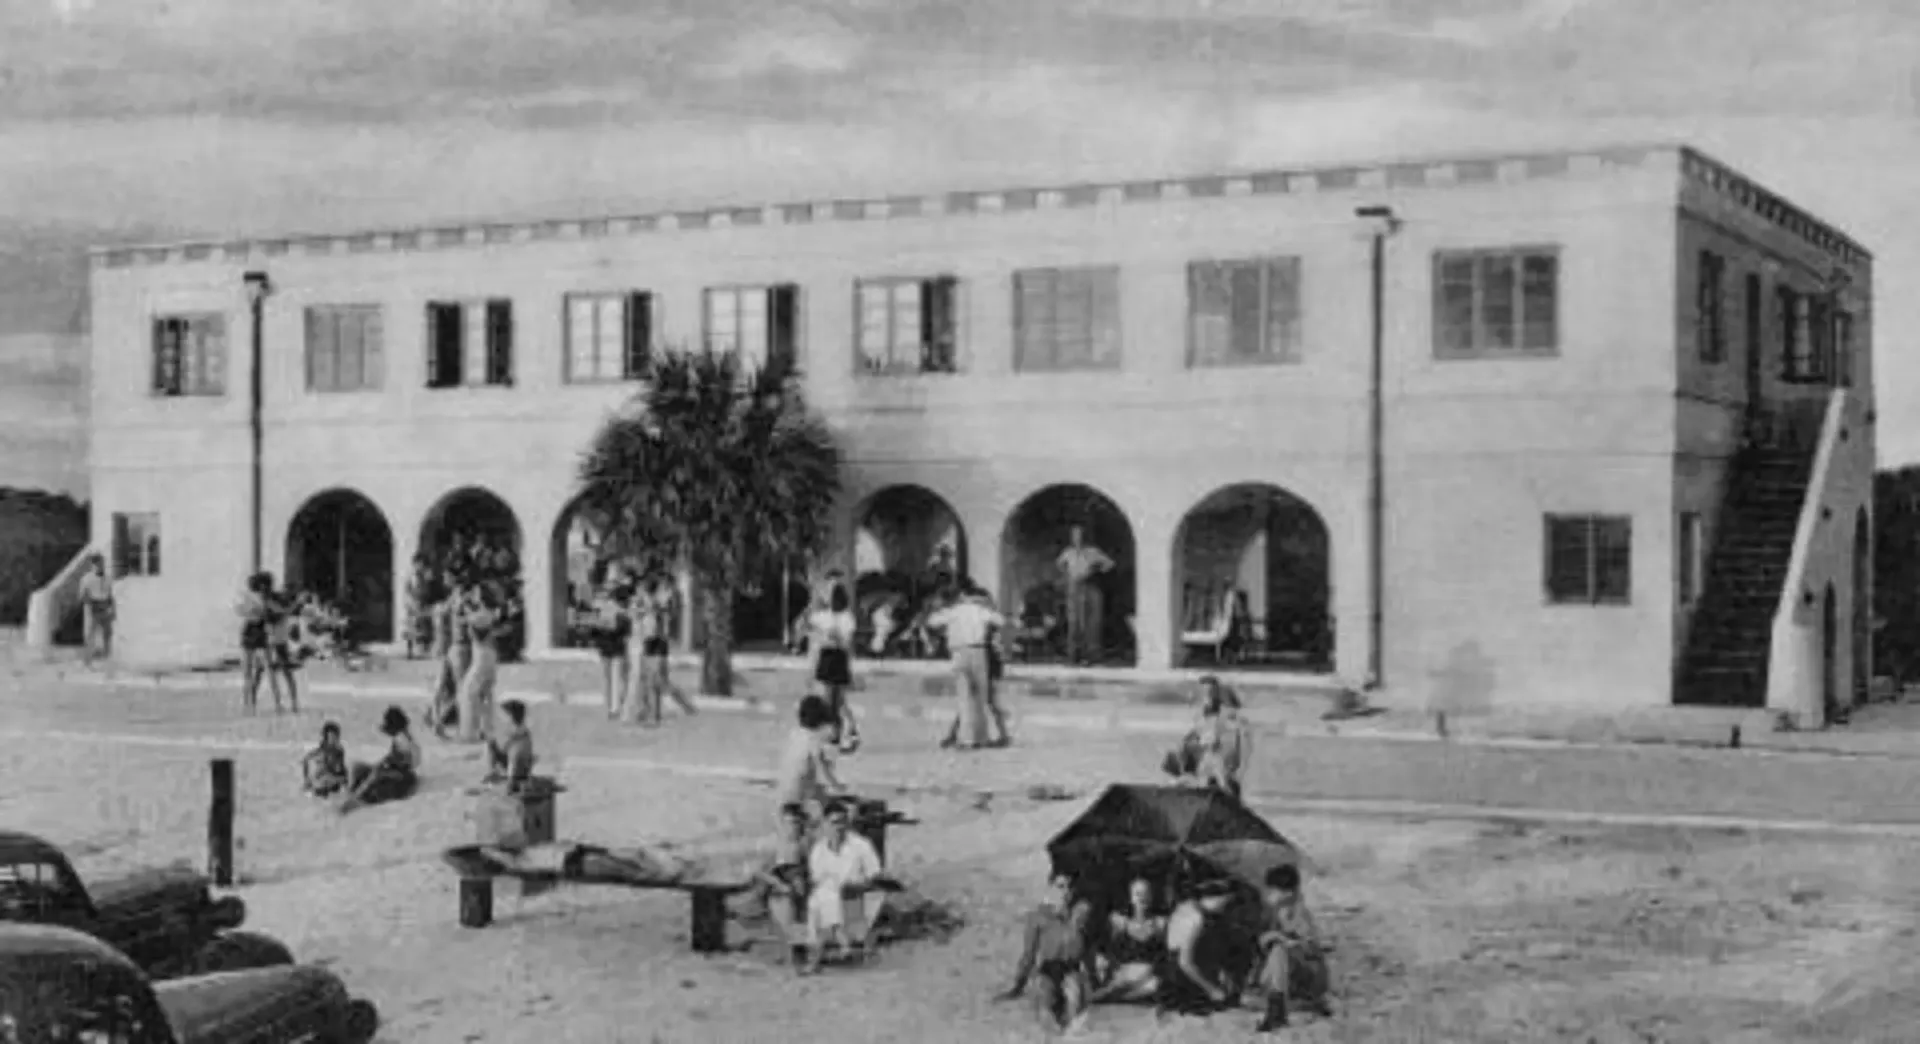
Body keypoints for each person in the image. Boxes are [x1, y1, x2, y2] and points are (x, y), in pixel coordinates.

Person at [996, 870, 1094, 1035]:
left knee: (1074, 1000)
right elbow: (1029, 956)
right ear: (1051, 888)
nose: (1065, 892)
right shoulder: (1038, 918)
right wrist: (1017, 986)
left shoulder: (1080, 916)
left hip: (1071, 970)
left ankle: (1068, 1034)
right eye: (1060, 887)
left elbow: (1088, 951)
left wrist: (1093, 979)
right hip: (1047, 970)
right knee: (1043, 1002)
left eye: (1069, 888)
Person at [800, 799, 887, 972]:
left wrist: (857, 885)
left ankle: (815, 958)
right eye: (834, 823)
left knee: (820, 899)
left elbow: (875, 877)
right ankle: (841, 939)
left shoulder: (861, 845)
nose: (839, 827)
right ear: (825, 824)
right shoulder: (819, 849)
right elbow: (817, 879)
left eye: (842, 822)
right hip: (832, 901)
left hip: (855, 898)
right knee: (824, 895)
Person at [928, 579, 1009, 750]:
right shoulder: (980, 610)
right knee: (980, 696)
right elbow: (1000, 621)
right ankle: (982, 737)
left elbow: (933, 622)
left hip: (958, 652)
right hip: (978, 651)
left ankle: (967, 739)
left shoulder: (953, 612)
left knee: (964, 696)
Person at [1252, 864, 1333, 1032]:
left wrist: (1284, 940)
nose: (1269, 895)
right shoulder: (1273, 912)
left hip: (1306, 974)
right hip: (1284, 974)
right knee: (1275, 952)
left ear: (1287, 893)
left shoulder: (1300, 914)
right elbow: (1261, 939)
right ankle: (1278, 1004)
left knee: (1278, 951)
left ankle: (1277, 1011)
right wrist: (1273, 937)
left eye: (1273, 891)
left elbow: (1311, 949)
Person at [1159, 878, 1241, 1018]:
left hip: (1183, 969)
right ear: (1214, 898)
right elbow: (1185, 963)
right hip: (1181, 976)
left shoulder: (1189, 906)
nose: (1225, 908)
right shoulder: (1196, 918)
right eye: (1224, 903)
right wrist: (1212, 990)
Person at [1163, 677, 1251, 801]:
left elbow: (1232, 749)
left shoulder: (1228, 719)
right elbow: (1193, 739)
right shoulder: (1201, 718)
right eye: (1204, 692)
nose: (1207, 697)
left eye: (1210, 692)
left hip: (1218, 770)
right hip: (1206, 770)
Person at [628, 570, 695, 726]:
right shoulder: (648, 601)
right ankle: (652, 711)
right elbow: (635, 614)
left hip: (658, 641)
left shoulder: (662, 601)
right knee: (655, 680)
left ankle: (655, 714)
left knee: (656, 680)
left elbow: (662, 614)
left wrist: (648, 605)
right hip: (649, 640)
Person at [753, 802, 813, 965]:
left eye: (797, 823)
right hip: (775, 887)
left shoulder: (805, 843)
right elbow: (758, 871)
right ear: (781, 822)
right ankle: (794, 950)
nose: (793, 828)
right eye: (790, 823)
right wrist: (779, 884)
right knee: (788, 919)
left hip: (799, 887)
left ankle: (799, 950)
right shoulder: (771, 844)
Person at [1091, 876, 1166, 1004]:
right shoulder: (1118, 922)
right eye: (1138, 894)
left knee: (1154, 984)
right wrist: (1102, 962)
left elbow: (1165, 956)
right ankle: (1112, 994)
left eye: (1145, 894)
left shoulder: (1160, 924)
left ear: (1151, 897)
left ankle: (1116, 996)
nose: (1142, 898)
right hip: (1123, 973)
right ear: (1131, 898)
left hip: (1148, 976)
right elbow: (1102, 948)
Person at [807, 582, 861, 752]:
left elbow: (847, 643)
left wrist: (833, 637)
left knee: (837, 700)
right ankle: (837, 733)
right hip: (827, 657)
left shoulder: (847, 618)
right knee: (831, 700)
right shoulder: (821, 616)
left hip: (838, 658)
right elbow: (814, 636)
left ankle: (843, 732)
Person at [774, 695, 847, 817]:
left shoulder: (795, 735)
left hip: (784, 794)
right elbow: (824, 773)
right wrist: (839, 787)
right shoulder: (814, 741)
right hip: (799, 799)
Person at [340, 706, 423, 813]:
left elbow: (408, 761)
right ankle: (356, 795)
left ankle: (356, 799)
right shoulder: (403, 737)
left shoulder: (403, 740)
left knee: (373, 778)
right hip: (400, 773)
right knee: (365, 771)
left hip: (402, 777)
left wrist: (390, 765)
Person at [1057, 525, 1114, 666]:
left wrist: (1095, 570)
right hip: (1073, 587)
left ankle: (1091, 655)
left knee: (1091, 622)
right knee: (1074, 621)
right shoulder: (1068, 553)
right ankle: (1073, 655)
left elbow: (1110, 564)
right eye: (1074, 535)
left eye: (1079, 535)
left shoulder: (1092, 552)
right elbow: (1060, 565)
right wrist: (1068, 576)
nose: (1077, 538)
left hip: (1089, 586)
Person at [457, 583, 503, 744]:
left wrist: (463, 604)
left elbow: (463, 620)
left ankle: (470, 732)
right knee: (485, 694)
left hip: (482, 655)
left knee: (468, 692)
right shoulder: (487, 613)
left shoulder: (482, 615)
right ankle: (487, 730)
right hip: (489, 655)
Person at [236, 573, 287, 715]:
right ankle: (274, 703)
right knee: (265, 669)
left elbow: (242, 610)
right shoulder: (262, 598)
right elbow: (244, 610)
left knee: (250, 671)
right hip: (258, 631)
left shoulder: (254, 598)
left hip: (253, 631)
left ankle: (250, 704)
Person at [590, 563, 633, 721]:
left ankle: (612, 707)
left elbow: (595, 629)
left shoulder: (602, 608)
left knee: (609, 679)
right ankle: (614, 707)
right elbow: (626, 630)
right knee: (615, 678)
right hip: (616, 646)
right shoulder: (621, 611)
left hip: (607, 646)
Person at [487, 699, 536, 791]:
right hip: (522, 768)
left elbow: (513, 757)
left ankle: (497, 775)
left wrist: (511, 781)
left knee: (493, 743)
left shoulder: (516, 734)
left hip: (516, 770)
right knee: (494, 743)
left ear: (512, 716)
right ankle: (498, 775)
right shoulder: (522, 731)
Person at [77, 555, 114, 668]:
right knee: (90, 635)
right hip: (92, 608)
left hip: (105, 607)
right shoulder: (86, 579)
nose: (100, 566)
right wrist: (92, 605)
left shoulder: (108, 578)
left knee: (108, 634)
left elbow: (110, 595)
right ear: (93, 565)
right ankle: (87, 661)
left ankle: (108, 659)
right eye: (97, 564)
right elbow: (82, 596)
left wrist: (112, 609)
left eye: (101, 563)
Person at [301, 721, 349, 798]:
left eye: (336, 737)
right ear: (326, 737)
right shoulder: (320, 751)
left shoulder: (339, 750)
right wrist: (306, 779)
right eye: (332, 737)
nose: (334, 740)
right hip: (322, 783)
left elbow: (342, 771)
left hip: (330, 783)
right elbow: (306, 760)